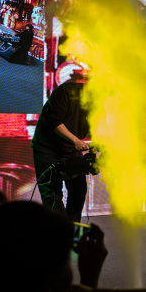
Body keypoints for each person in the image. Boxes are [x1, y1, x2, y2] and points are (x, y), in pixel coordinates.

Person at [31, 70, 91, 222]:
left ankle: (72, 227)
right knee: (52, 194)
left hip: (70, 150)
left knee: (78, 190)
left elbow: (98, 126)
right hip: (47, 148)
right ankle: (59, 229)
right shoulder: (65, 91)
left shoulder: (97, 103)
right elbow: (54, 121)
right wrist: (76, 140)